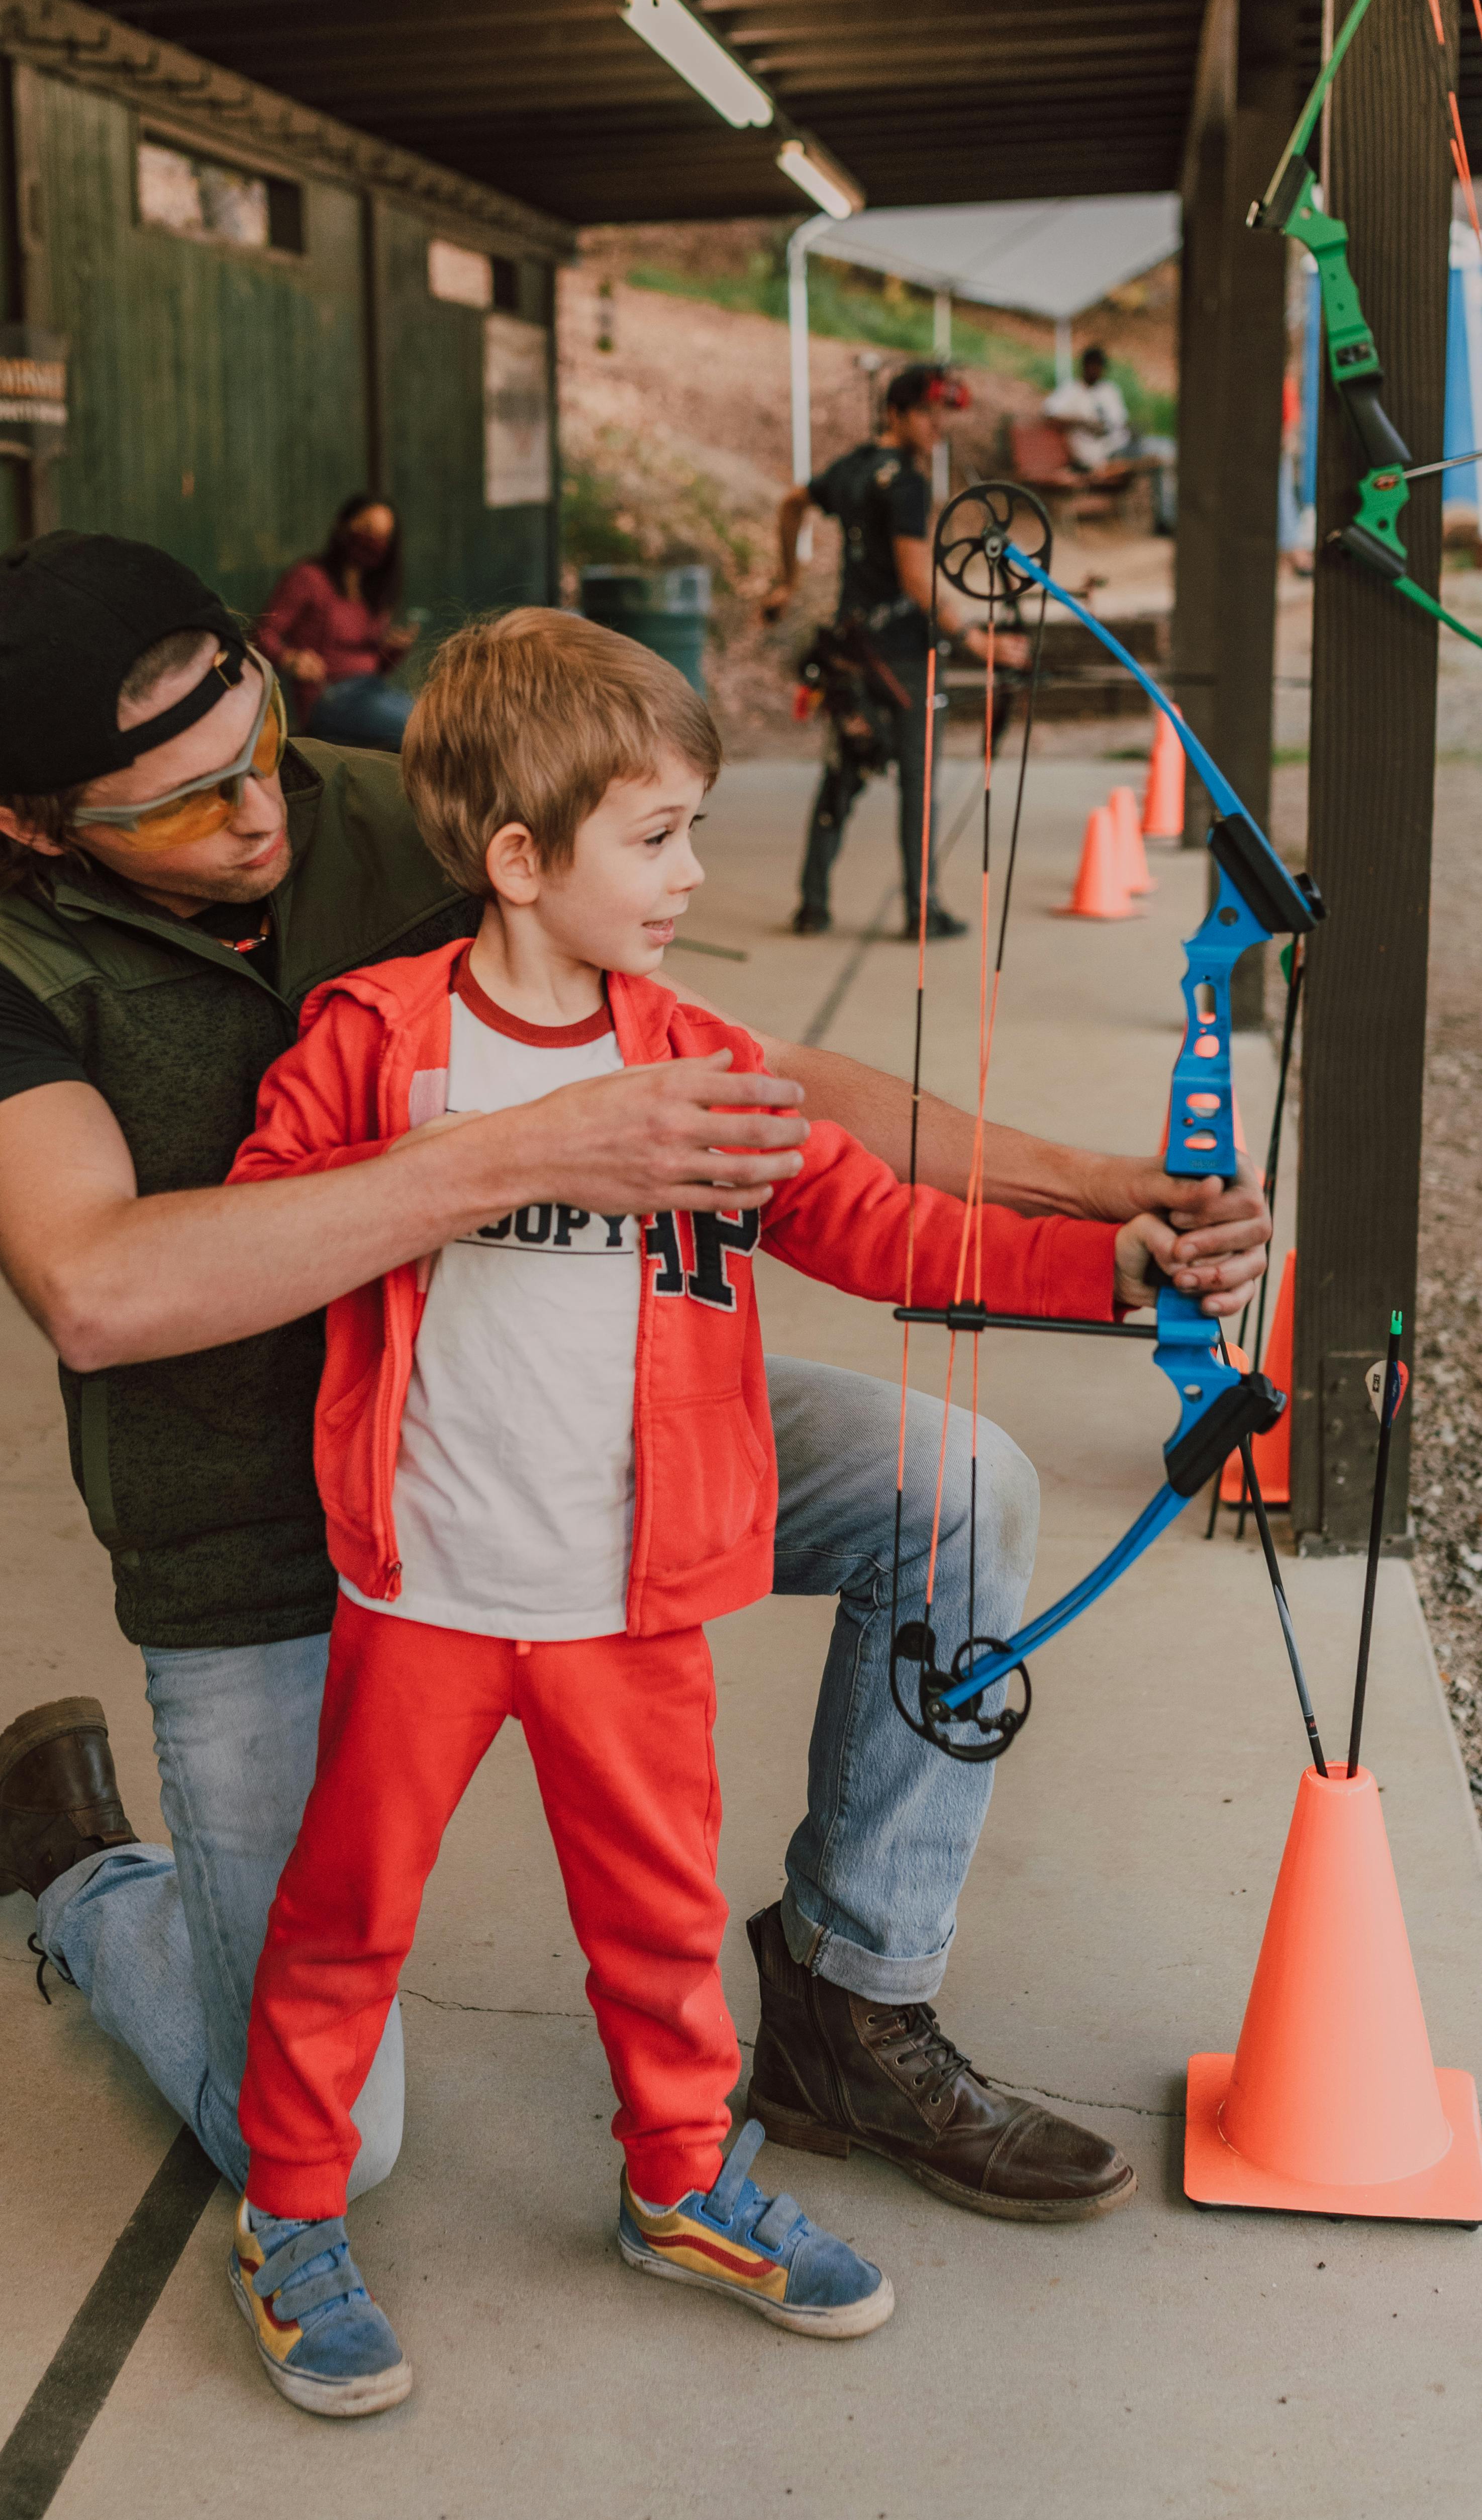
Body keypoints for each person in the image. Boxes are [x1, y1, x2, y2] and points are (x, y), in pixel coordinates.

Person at [0, 531, 1272, 2317]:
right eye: (179, 808)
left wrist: (1105, 1211)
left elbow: (769, 1106)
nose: (256, 817)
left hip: (601, 1469)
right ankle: (85, 1862)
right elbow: (96, 1286)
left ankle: (845, 2006)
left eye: (255, 741)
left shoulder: (412, 795)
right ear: (34, 825)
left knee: (945, 1484)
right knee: (322, 2133)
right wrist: (524, 1151)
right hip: (268, 1530)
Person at [223, 611, 1161, 2418]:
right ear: (515, 858)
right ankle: (285, 2210)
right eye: (651, 836)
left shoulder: (702, 1054)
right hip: (421, 1592)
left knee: (655, 1923)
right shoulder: (375, 1040)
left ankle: (681, 2187)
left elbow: (880, 1227)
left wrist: (1098, 1265)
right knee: (343, 1915)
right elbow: (271, 1236)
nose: (689, 870)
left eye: (690, 830)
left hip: (623, 1603)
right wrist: (445, 1175)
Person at [765, 363, 1018, 941]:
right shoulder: (903, 482)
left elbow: (790, 505)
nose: (939, 427)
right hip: (903, 655)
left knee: (842, 769)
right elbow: (913, 577)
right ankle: (920, 908)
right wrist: (975, 639)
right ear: (894, 413)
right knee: (916, 783)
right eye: (928, 415)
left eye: (944, 416)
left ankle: (813, 904)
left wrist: (787, 580)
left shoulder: (853, 468)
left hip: (852, 651)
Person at [257, 493, 415, 751]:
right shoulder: (309, 577)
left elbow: (376, 668)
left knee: (439, 718)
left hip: (372, 690)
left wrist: (394, 649)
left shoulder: (372, 591)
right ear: (344, 524)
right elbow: (263, 632)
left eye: (383, 537)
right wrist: (290, 658)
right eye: (367, 530)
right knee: (422, 727)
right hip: (328, 697)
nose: (373, 542)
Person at [1044, 343, 1132, 473]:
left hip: (1119, 445)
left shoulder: (1109, 390)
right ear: (1084, 366)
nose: (1095, 370)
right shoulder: (1071, 390)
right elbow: (1049, 415)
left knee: (1163, 450)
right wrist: (1082, 423)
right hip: (1095, 455)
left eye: (1099, 366)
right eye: (1092, 365)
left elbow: (1121, 421)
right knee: (1161, 452)